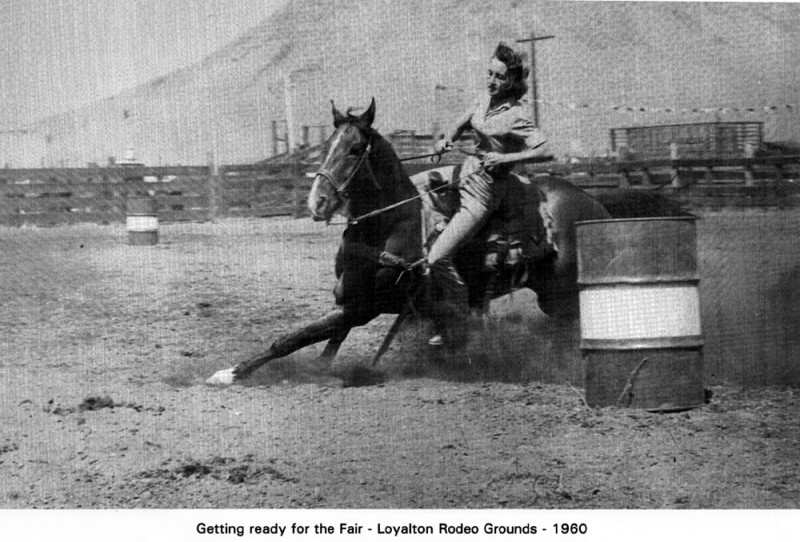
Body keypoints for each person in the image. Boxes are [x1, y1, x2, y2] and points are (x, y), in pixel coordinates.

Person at [425, 41, 552, 346]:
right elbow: (461, 122)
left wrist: (506, 159)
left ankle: (459, 320)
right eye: (489, 74)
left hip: (483, 193)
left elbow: (546, 149)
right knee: (416, 193)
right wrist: (446, 139)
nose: (492, 81)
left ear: (511, 82)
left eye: (499, 77)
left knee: (437, 256)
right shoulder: (482, 99)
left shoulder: (517, 116)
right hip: (463, 173)